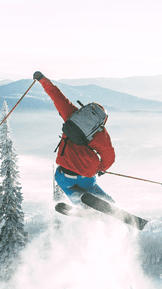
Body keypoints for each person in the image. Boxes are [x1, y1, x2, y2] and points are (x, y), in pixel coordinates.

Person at [33, 71, 116, 205]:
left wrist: (42, 79)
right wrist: (101, 168)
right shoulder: (101, 134)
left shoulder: (71, 114)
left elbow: (57, 96)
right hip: (87, 174)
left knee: (65, 184)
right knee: (90, 187)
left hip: (66, 174)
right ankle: (111, 205)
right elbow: (109, 156)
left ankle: (81, 206)